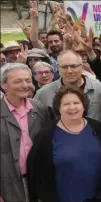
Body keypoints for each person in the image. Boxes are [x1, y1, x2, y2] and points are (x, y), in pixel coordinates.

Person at [27, 85, 101, 202]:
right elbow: (37, 171)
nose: (72, 107)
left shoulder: (96, 127)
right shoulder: (46, 135)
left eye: (76, 103)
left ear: (84, 106)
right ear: (58, 108)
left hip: (98, 196)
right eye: (66, 104)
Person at [0, 63, 51, 202]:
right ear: (3, 85)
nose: (25, 85)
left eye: (28, 80)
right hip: (8, 186)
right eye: (17, 81)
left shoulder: (40, 109)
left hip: (38, 181)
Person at [34, 50, 101, 123]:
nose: (69, 71)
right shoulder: (44, 93)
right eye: (64, 67)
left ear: (82, 67)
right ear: (58, 68)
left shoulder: (100, 88)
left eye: (73, 66)